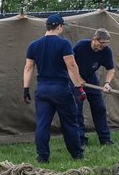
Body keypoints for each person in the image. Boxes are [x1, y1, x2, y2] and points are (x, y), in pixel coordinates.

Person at [23, 14, 87, 163]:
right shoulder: (64, 44)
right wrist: (78, 88)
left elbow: (28, 68)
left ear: (47, 26)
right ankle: (77, 154)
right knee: (69, 122)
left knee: (42, 123)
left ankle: (42, 157)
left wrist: (25, 88)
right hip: (60, 89)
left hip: (42, 90)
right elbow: (71, 66)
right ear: (59, 26)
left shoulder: (33, 45)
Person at [73, 28, 116, 146]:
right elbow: (68, 64)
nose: (103, 46)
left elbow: (111, 69)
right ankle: (81, 140)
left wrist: (107, 83)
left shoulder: (106, 51)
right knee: (77, 110)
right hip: (74, 79)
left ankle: (105, 139)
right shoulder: (81, 46)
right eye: (101, 43)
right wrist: (77, 79)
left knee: (99, 108)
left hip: (91, 79)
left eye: (106, 44)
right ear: (94, 39)